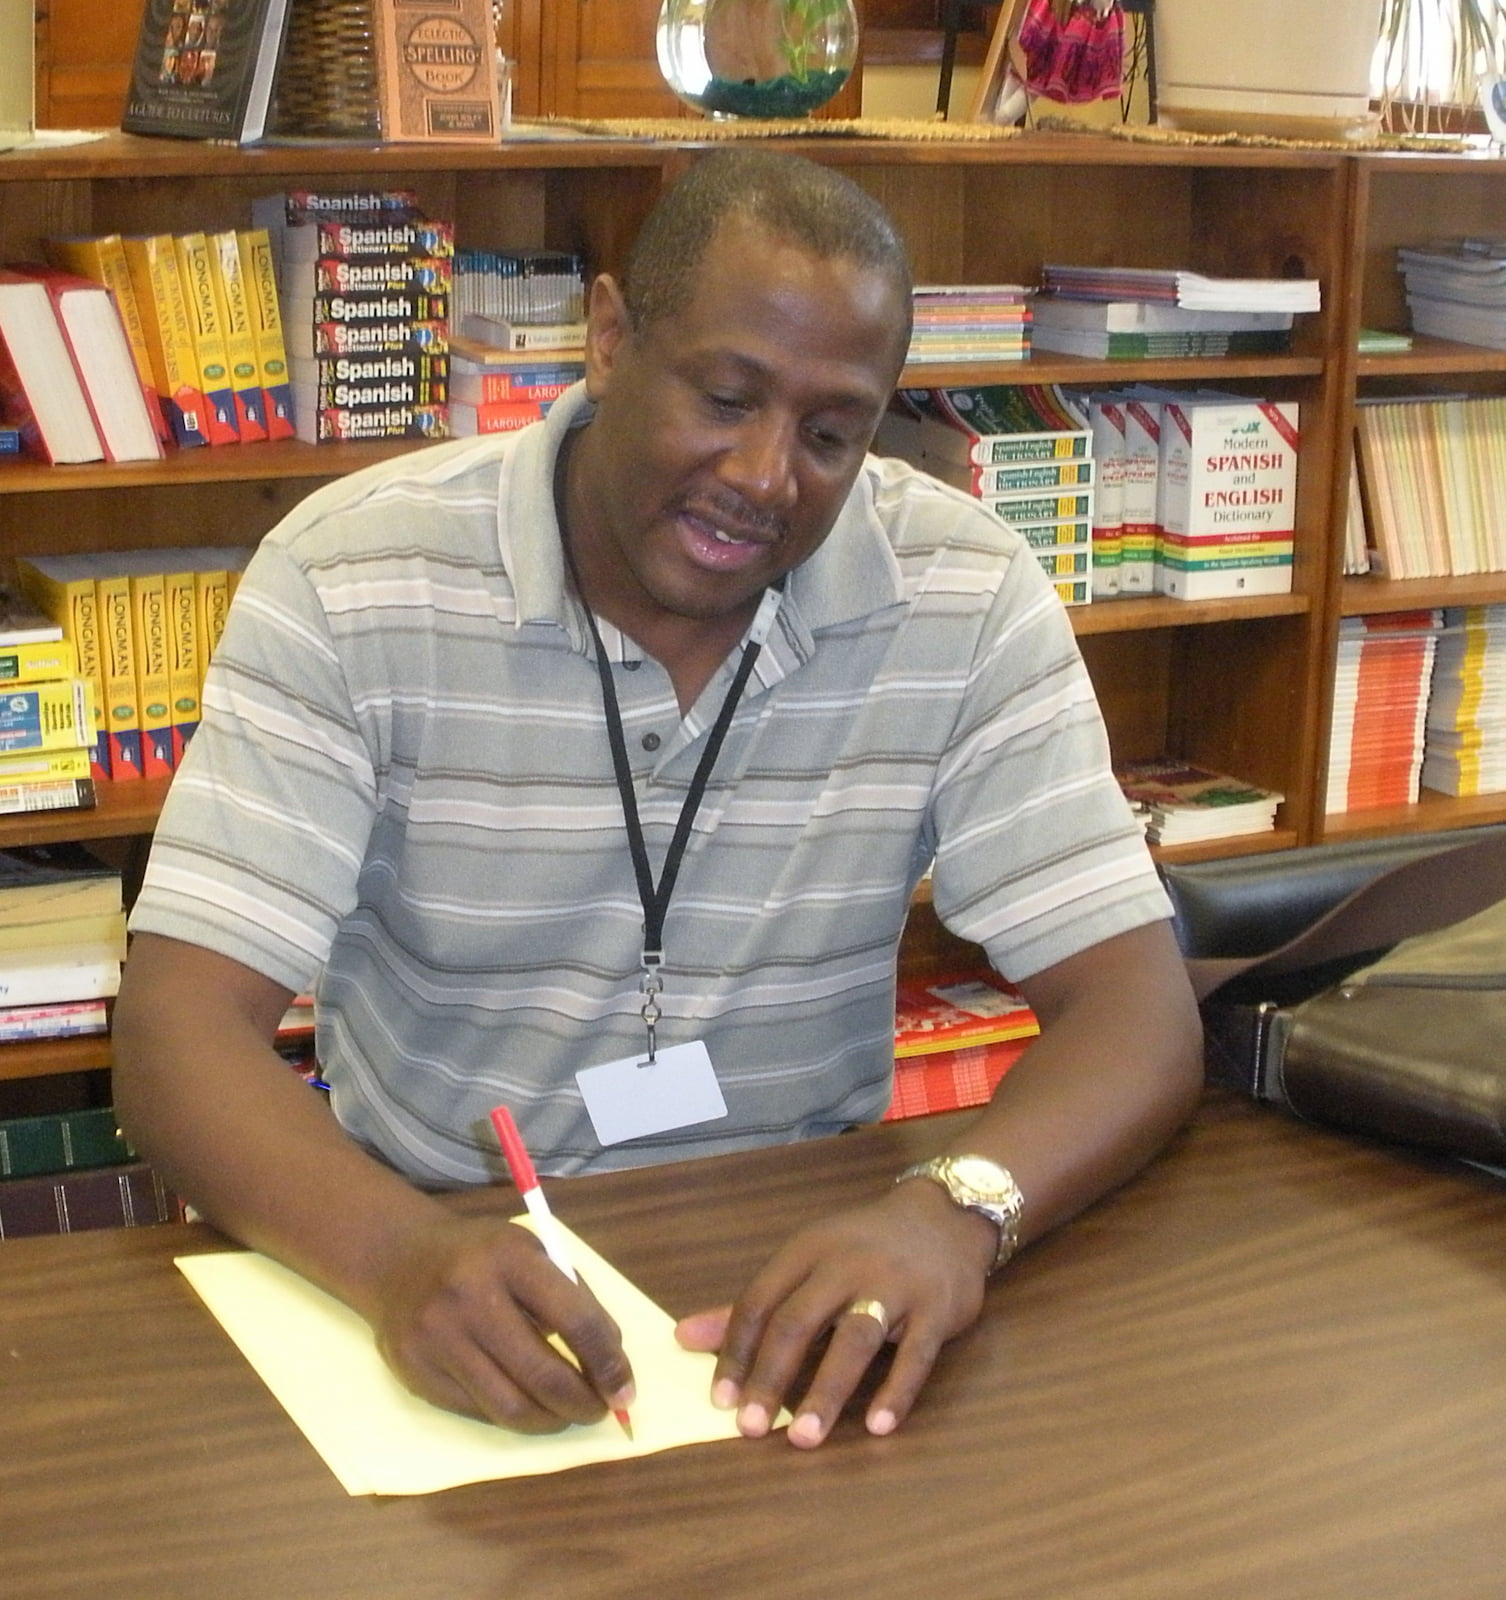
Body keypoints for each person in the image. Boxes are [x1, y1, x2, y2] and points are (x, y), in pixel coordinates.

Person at [113, 147, 1202, 1452]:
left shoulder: (962, 591)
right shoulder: (356, 573)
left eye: (829, 432)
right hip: (440, 1239)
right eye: (724, 396)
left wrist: (949, 1210)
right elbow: (178, 1030)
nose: (762, 475)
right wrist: (398, 1254)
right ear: (613, 336)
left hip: (805, 1254)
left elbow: (1137, 1012)